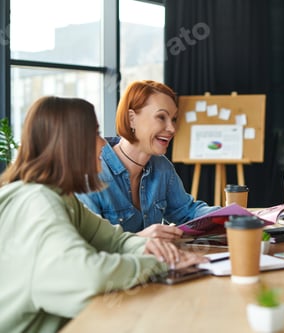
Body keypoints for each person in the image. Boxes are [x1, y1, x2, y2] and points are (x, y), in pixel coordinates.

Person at [0, 96, 208, 333]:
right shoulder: (37, 202)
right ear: (72, 143)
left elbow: (115, 240)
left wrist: (159, 252)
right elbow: (88, 275)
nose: (103, 143)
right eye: (96, 134)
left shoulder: (62, 197)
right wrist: (157, 264)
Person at [76, 80, 219, 241]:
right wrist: (139, 239)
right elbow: (88, 248)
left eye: (173, 119)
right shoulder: (91, 173)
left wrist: (236, 215)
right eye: (161, 117)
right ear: (131, 119)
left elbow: (187, 212)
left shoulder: (162, 167)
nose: (172, 129)